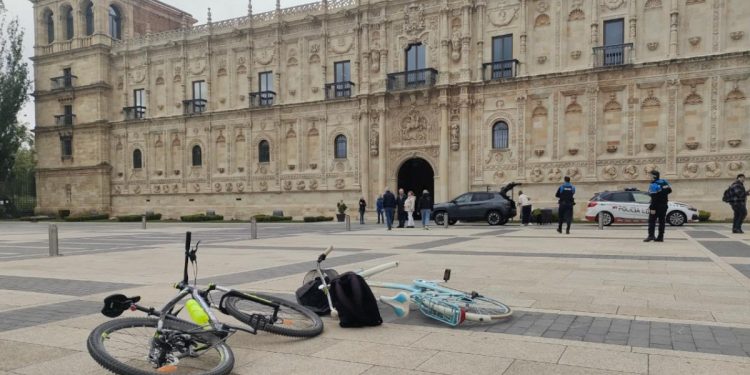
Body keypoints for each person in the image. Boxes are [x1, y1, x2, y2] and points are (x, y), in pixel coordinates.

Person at [644, 170, 672, 242]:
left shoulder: (653, 185)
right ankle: (660, 237)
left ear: (654, 176)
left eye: (650, 176)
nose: (649, 177)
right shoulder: (664, 181)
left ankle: (651, 236)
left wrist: (652, 208)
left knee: (652, 221)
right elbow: (669, 191)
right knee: (662, 221)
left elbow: (653, 197)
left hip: (655, 206)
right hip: (664, 205)